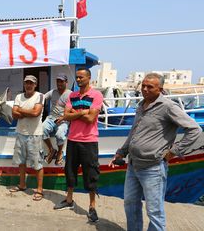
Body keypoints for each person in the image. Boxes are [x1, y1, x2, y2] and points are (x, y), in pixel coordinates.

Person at [108, 73, 202, 231]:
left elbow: (194, 129)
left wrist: (174, 151)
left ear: (160, 89)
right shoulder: (141, 105)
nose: (145, 89)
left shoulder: (168, 107)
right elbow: (134, 132)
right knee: (130, 204)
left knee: (154, 211)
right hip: (133, 165)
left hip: (153, 168)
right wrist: (121, 152)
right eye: (143, 85)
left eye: (149, 87)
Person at [54, 68, 103, 223]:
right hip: (73, 139)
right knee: (70, 170)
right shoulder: (72, 95)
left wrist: (74, 113)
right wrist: (83, 112)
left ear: (89, 78)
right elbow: (66, 115)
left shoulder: (96, 95)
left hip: (89, 141)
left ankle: (92, 206)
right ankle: (69, 200)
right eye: (77, 77)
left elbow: (91, 119)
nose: (79, 79)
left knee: (91, 173)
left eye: (82, 77)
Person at [9, 75, 45, 201]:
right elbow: (14, 114)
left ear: (35, 85)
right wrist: (27, 112)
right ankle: (22, 185)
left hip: (34, 134)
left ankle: (39, 190)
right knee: (21, 161)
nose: (28, 85)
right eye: (26, 83)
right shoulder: (19, 96)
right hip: (20, 133)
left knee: (37, 163)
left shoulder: (40, 96)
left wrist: (21, 110)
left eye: (31, 83)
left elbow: (36, 113)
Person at [42, 73, 72, 165]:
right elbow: (42, 97)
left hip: (64, 120)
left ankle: (59, 152)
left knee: (59, 134)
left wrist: (65, 117)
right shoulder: (52, 92)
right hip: (51, 118)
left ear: (66, 82)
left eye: (61, 81)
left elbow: (73, 109)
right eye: (58, 81)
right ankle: (51, 149)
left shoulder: (70, 94)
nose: (59, 83)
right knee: (41, 129)